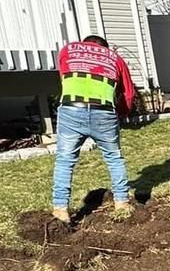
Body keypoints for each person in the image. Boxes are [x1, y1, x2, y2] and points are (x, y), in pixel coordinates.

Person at [50, 34, 138, 222]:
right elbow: (128, 94)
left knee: (65, 160)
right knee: (114, 158)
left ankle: (60, 209)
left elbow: (64, 79)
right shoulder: (115, 58)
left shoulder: (68, 50)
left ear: (84, 44)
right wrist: (121, 114)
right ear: (105, 47)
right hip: (104, 112)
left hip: (71, 109)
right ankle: (121, 202)